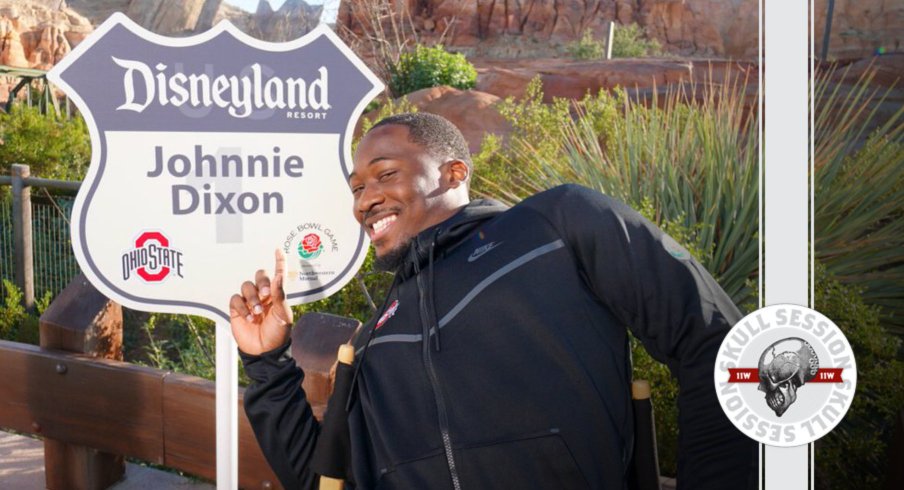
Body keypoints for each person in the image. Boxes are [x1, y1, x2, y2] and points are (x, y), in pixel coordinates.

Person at [230, 113, 757, 489]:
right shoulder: (377, 334)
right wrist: (264, 362)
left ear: (454, 172)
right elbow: (322, 478)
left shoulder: (557, 226)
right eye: (356, 187)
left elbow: (719, 345)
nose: (364, 199)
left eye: (385, 174)